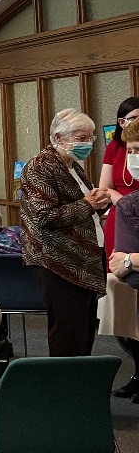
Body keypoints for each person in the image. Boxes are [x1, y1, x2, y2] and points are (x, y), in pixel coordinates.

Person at [20, 109, 109, 357]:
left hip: (82, 260)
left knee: (83, 328)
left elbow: (84, 204)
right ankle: (63, 389)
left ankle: (78, 383)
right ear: (59, 138)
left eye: (90, 138)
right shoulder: (41, 166)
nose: (87, 144)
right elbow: (44, 217)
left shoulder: (72, 167)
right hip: (57, 261)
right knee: (68, 333)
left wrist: (101, 200)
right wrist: (89, 204)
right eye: (81, 138)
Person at [104, 118, 139, 400]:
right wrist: (130, 263)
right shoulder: (130, 206)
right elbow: (124, 272)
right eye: (130, 151)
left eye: (138, 150)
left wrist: (133, 258)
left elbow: (127, 263)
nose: (133, 158)